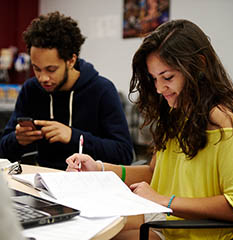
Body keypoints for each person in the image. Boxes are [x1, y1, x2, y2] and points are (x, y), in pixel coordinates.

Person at [66, 19, 233, 240]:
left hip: (194, 232)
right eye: (154, 78)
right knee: (85, 229)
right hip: (167, 222)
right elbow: (153, 173)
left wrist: (164, 201)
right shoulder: (177, 111)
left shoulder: (222, 119)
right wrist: (98, 169)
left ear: (199, 65)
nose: (159, 88)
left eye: (167, 77)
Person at [0, 11, 133, 170]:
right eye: (37, 69)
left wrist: (73, 136)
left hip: (89, 184)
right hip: (42, 181)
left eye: (51, 69)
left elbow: (124, 154)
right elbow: (3, 150)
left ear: (71, 60)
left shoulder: (102, 90)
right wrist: (17, 139)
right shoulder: (31, 89)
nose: (42, 78)